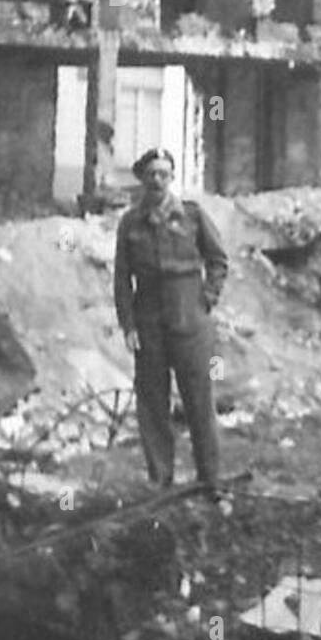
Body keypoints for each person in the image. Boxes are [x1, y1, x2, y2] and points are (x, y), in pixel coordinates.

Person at [114, 147, 229, 502]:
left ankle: (210, 479)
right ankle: (160, 479)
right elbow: (121, 279)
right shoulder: (131, 222)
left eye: (164, 173)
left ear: (172, 177)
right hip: (149, 317)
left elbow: (218, 259)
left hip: (189, 316)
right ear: (142, 179)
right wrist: (128, 325)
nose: (158, 180)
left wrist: (207, 297)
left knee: (198, 399)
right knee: (152, 402)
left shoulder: (192, 216)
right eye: (151, 174)